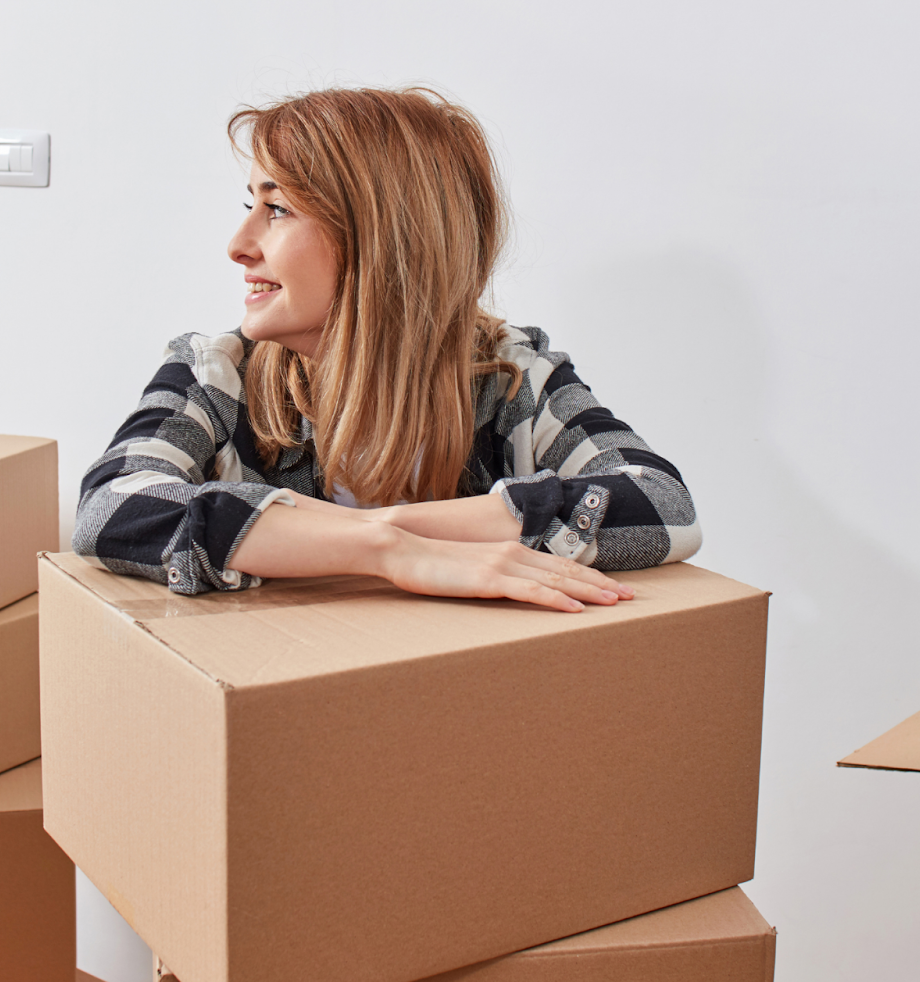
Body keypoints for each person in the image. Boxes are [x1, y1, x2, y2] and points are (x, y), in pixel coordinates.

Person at [73, 87, 700, 613]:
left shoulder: (509, 375)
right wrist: (386, 549)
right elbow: (110, 510)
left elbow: (662, 505)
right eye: (250, 205)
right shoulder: (216, 373)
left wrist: (384, 530)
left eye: (278, 209)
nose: (238, 244)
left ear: (382, 241)